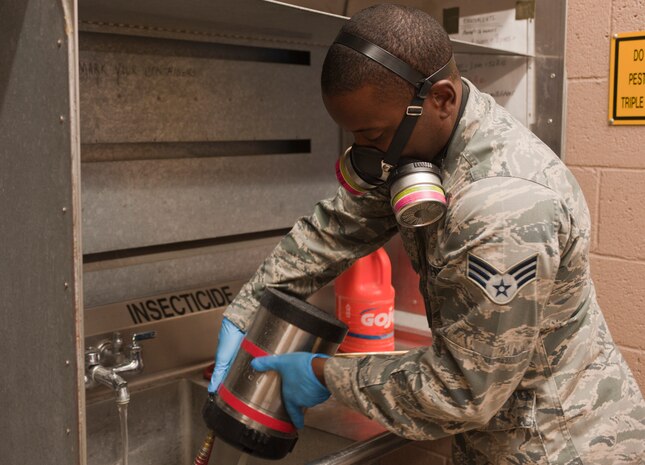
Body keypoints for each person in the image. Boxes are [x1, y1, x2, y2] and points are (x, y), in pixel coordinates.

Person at [207, 5, 645, 464]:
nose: (368, 156)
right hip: (500, 435)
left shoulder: (503, 211)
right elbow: (339, 225)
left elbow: (461, 390)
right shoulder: (423, 143)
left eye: (373, 134)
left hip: (560, 446)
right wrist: (246, 310)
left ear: (440, 98)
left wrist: (321, 375)